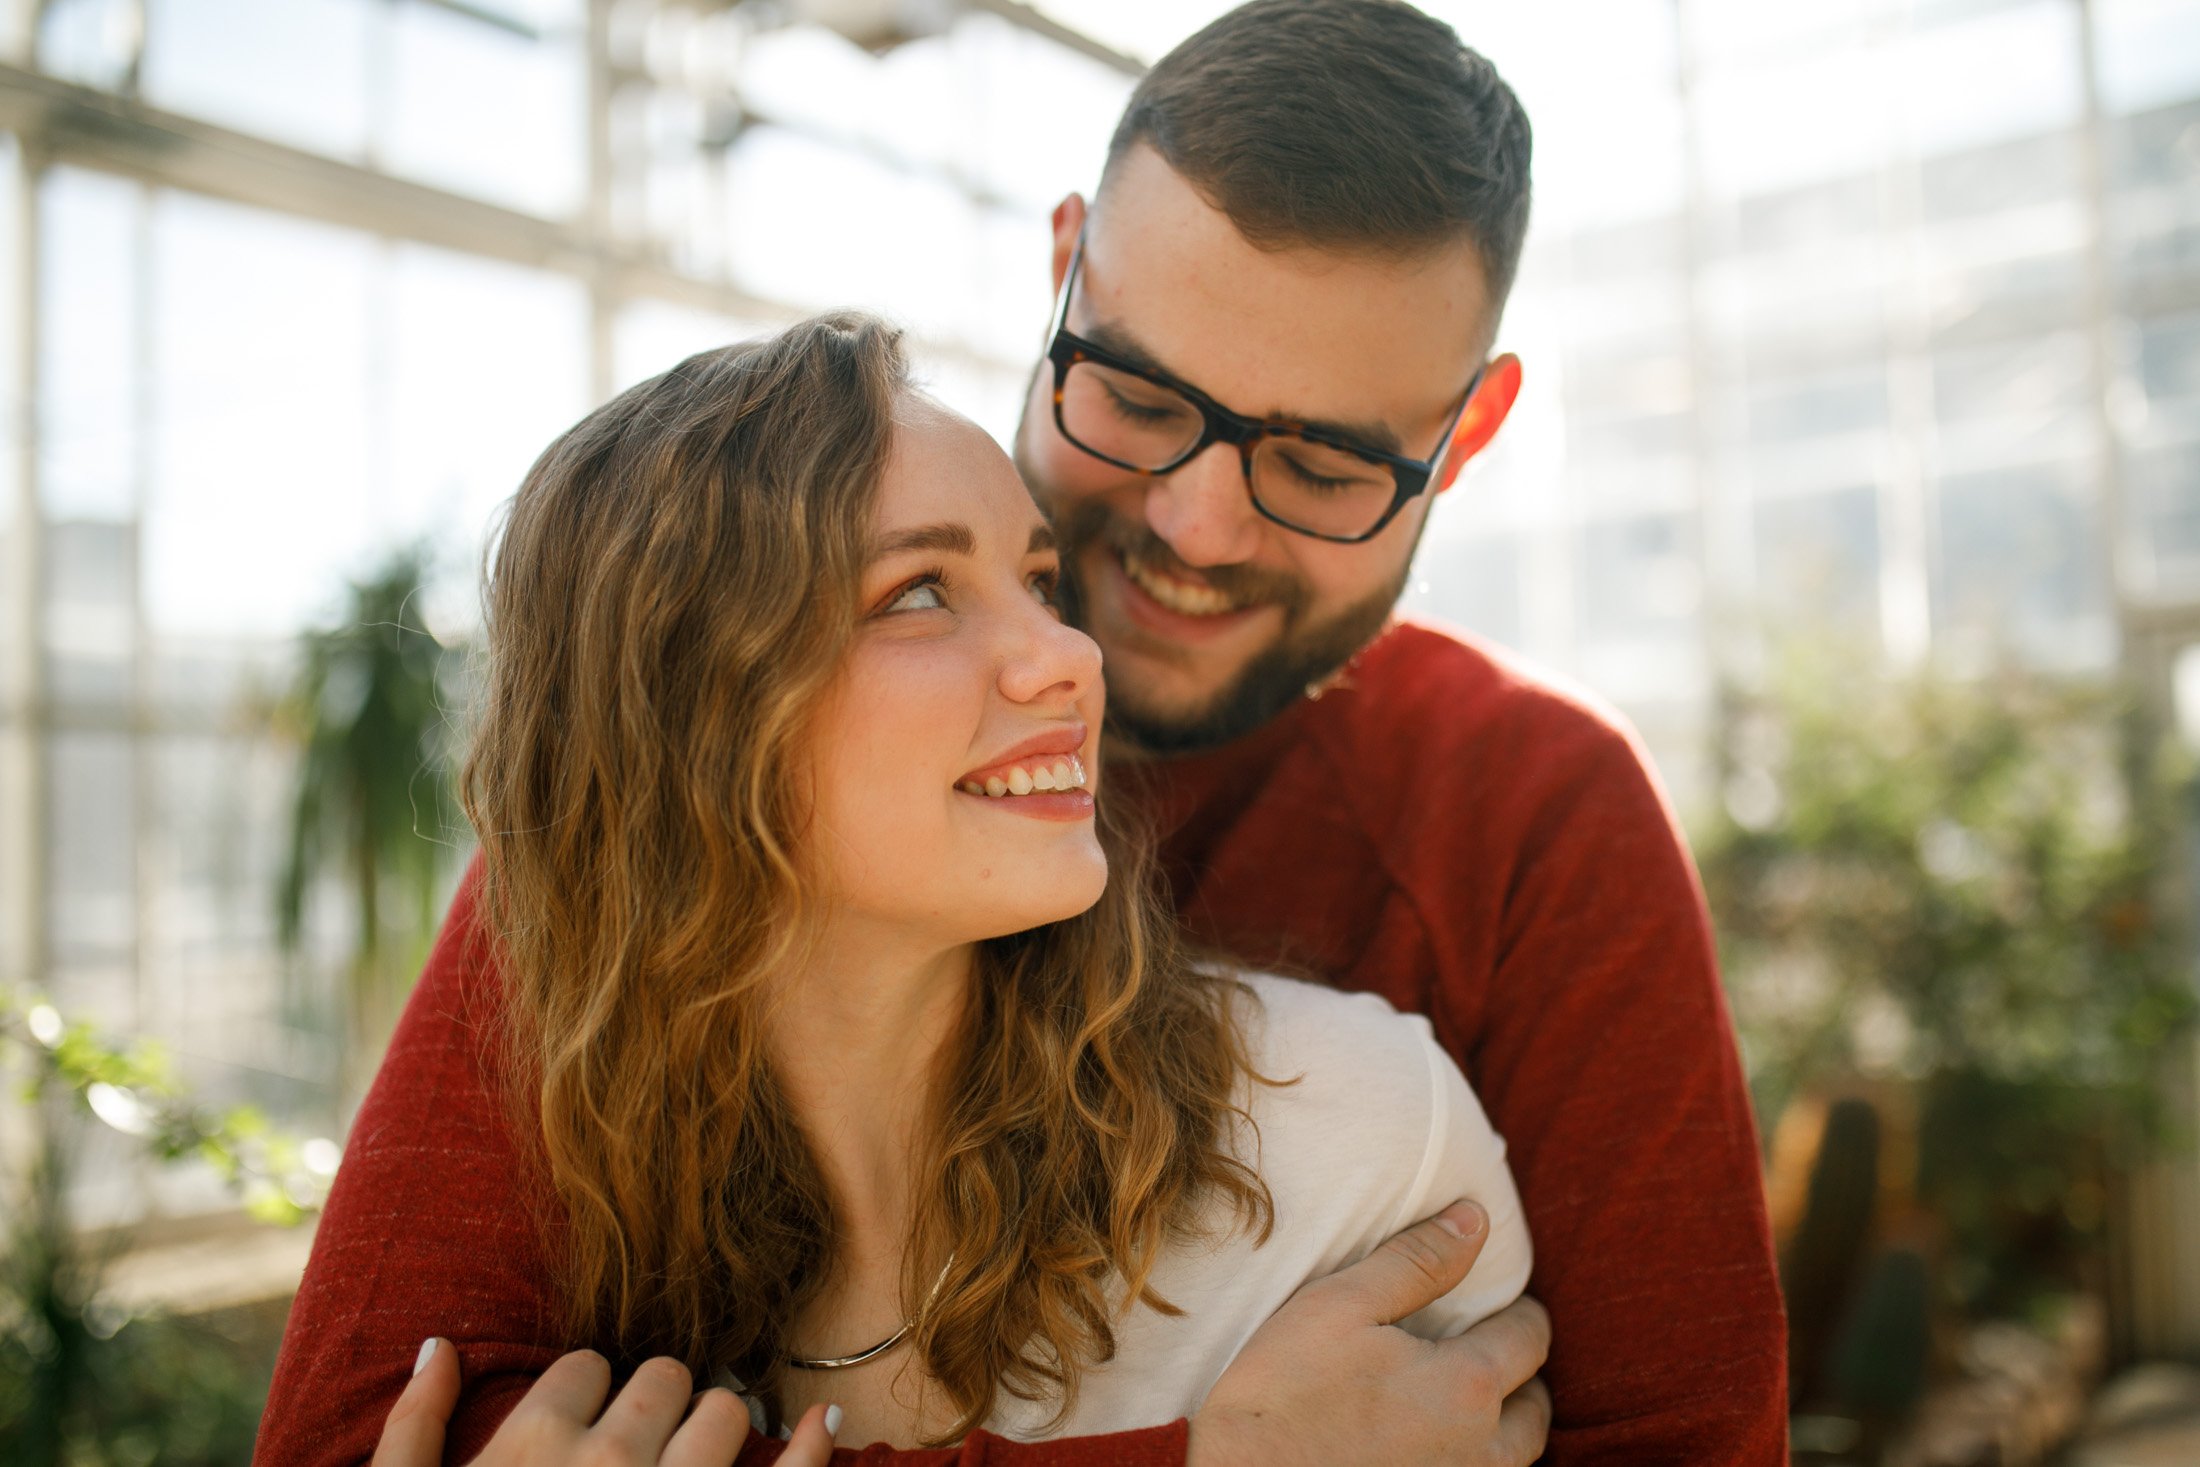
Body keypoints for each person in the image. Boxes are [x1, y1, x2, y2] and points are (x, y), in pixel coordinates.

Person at [265, 1, 1787, 1461]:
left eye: (1323, 464)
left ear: (1464, 435)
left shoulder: (1527, 815)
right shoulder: (708, 773)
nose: (1193, 527)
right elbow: (371, 1422)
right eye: (1134, 393)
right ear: (1065, 267)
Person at [261, 313, 1538, 1464]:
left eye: (1038, 583)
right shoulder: (589, 1204)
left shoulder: (1359, 1140)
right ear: (693, 724)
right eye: (920, 592)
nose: (1070, 657)